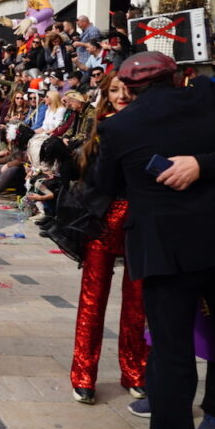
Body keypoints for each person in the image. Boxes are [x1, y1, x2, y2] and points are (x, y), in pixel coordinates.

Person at [96, 52, 215, 429]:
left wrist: (194, 167)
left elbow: (104, 186)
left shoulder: (118, 126)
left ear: (129, 89)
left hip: (166, 252)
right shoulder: (209, 96)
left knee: (172, 352)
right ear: (179, 77)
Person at [68, 73, 148, 405]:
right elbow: (99, 181)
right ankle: (84, 376)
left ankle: (135, 372)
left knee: (138, 303)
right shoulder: (103, 128)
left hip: (143, 222)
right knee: (92, 299)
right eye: (114, 90)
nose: (121, 95)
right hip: (103, 221)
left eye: (127, 89)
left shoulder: (152, 125)